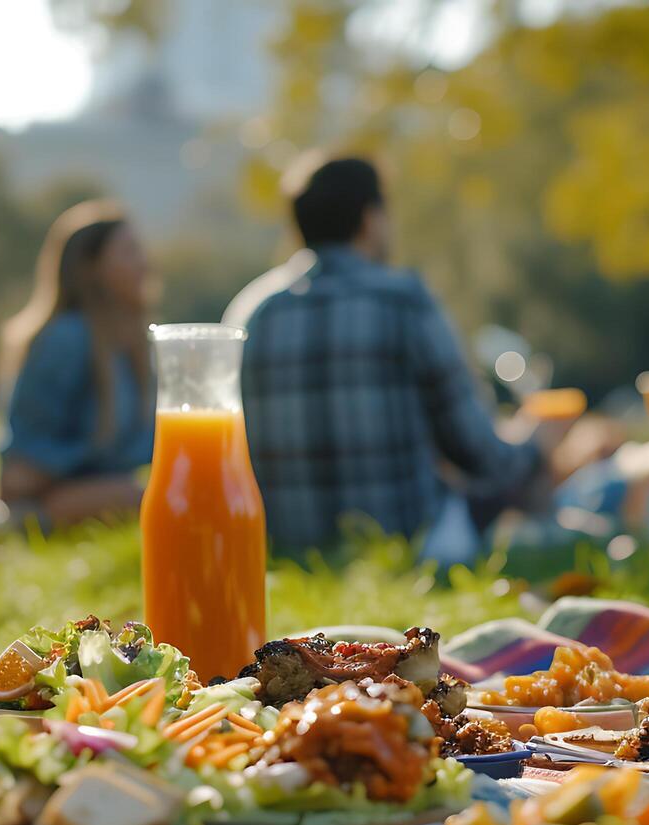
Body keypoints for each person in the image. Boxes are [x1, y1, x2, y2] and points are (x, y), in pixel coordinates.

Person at [233, 155, 549, 560]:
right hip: (410, 545)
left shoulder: (252, 311)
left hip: (286, 550)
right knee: (532, 484)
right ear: (370, 218)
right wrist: (536, 444)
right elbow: (479, 455)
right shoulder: (402, 301)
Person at [0, 201, 156, 530]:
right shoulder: (67, 339)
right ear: (91, 267)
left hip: (102, 490)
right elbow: (22, 472)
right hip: (49, 501)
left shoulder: (130, 345)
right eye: (128, 252)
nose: (145, 264)